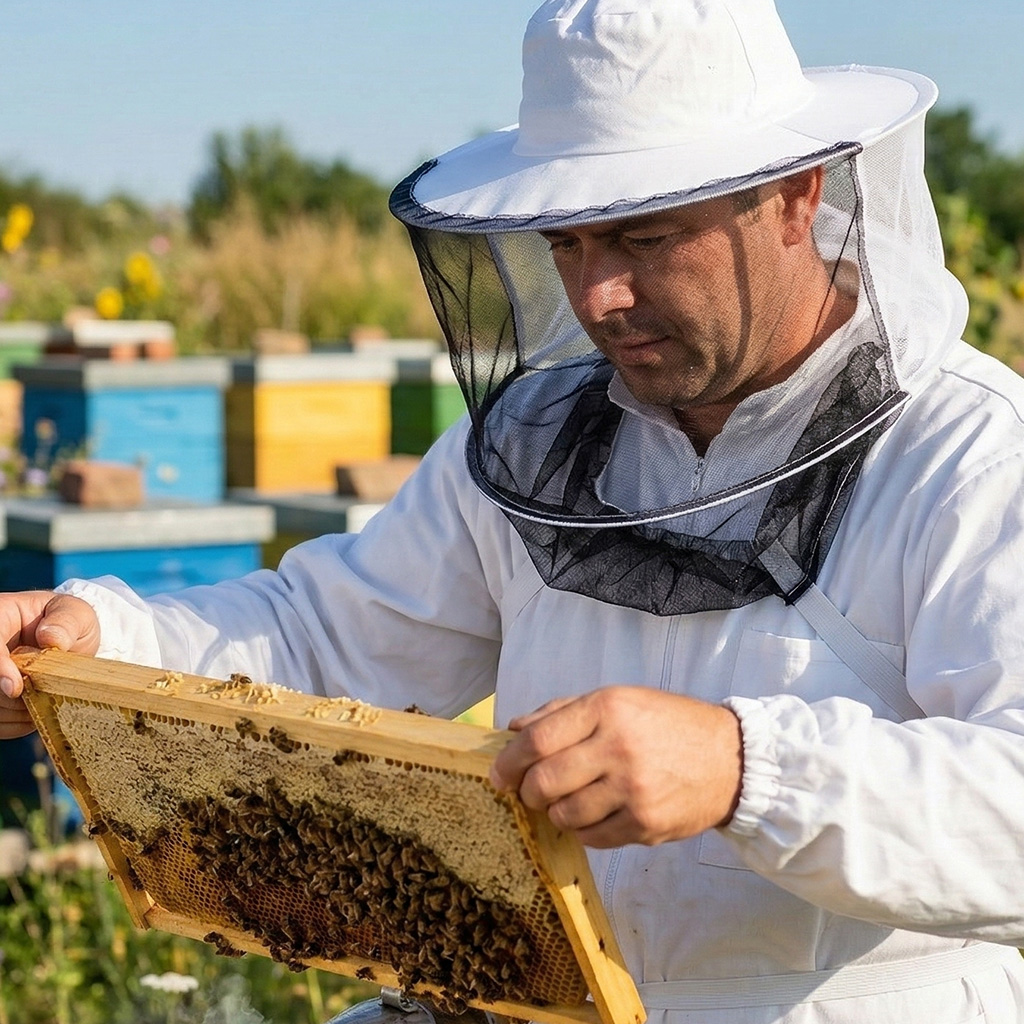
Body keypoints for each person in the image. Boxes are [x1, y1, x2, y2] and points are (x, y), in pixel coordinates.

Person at [5, 0, 1024, 1020]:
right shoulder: (539, 437)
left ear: (796, 196)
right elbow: (328, 636)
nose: (598, 296)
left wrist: (743, 768)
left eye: (642, 236)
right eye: (567, 244)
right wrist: (102, 640)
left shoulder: (972, 453)